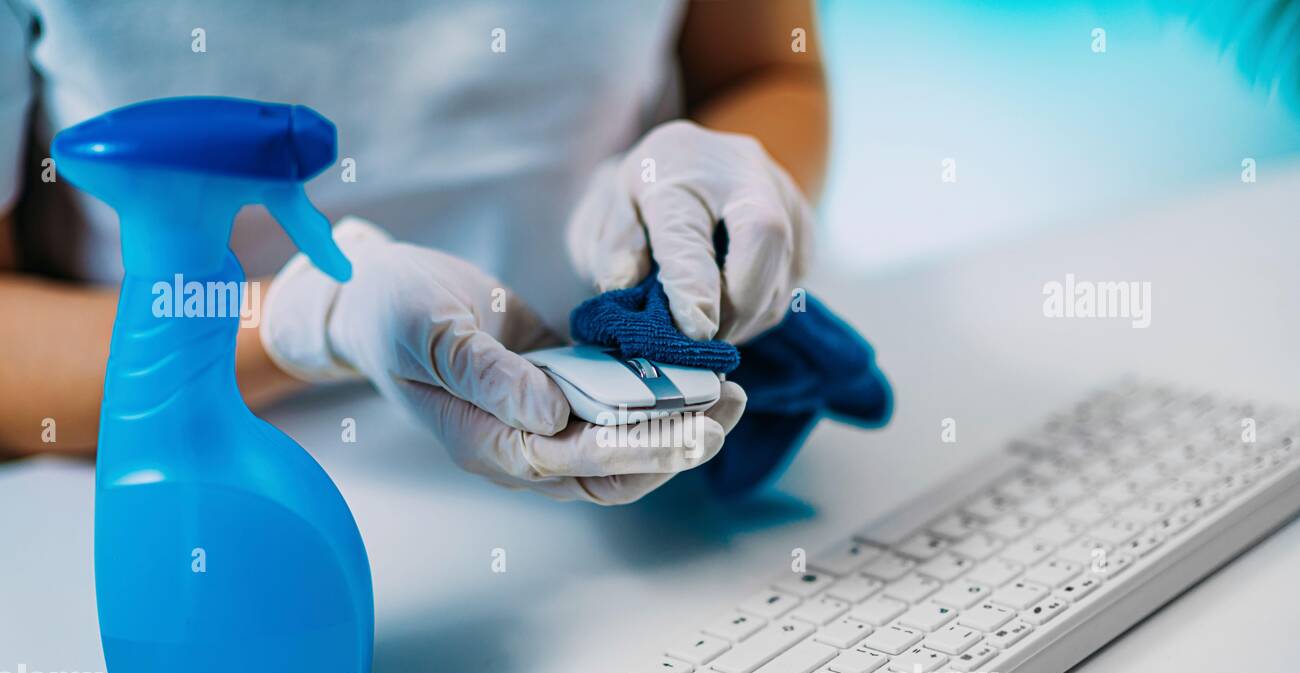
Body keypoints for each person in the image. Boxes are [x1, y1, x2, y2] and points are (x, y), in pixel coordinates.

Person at [0, 0, 827, 503]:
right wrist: (307, 315)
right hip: (195, 484)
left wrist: (708, 190)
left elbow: (766, 69)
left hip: (636, 485)